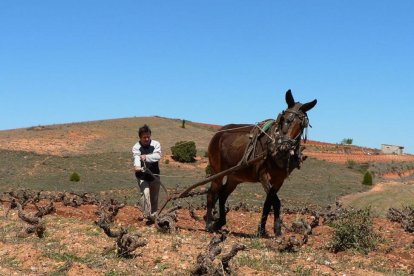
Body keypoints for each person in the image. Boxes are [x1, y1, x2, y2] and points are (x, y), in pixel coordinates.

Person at [132, 124, 162, 223]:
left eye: (148, 136)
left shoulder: (156, 144)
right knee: (145, 194)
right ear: (140, 137)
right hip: (142, 176)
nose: (146, 139)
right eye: (144, 137)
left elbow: (158, 156)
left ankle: (154, 216)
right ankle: (146, 216)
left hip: (155, 175)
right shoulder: (136, 147)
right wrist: (137, 167)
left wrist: (146, 157)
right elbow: (136, 157)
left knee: (154, 197)